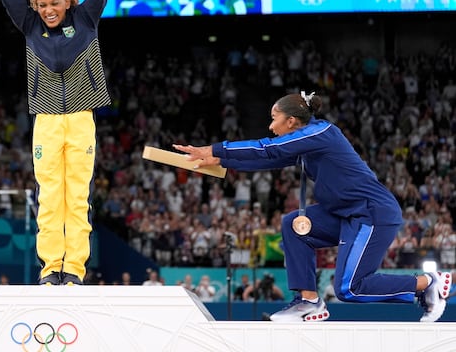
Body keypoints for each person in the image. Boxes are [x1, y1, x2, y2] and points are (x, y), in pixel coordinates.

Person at [172, 91, 450, 323]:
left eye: (274, 119)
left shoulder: (322, 132)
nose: (271, 126)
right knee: (293, 225)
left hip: (371, 213)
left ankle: (427, 284)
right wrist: (222, 162)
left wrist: (214, 150)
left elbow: (268, 148)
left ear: (291, 121)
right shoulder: (305, 143)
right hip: (345, 214)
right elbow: (270, 160)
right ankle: (308, 301)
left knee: (349, 288)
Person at [0, 0, 134, 286]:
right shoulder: (28, 24)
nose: (48, 10)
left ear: (68, 0)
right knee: (49, 197)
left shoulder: (87, 18)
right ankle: (49, 269)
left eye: (54, 3)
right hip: (46, 121)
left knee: (77, 198)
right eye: (41, 4)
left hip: (80, 119)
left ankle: (72, 269)